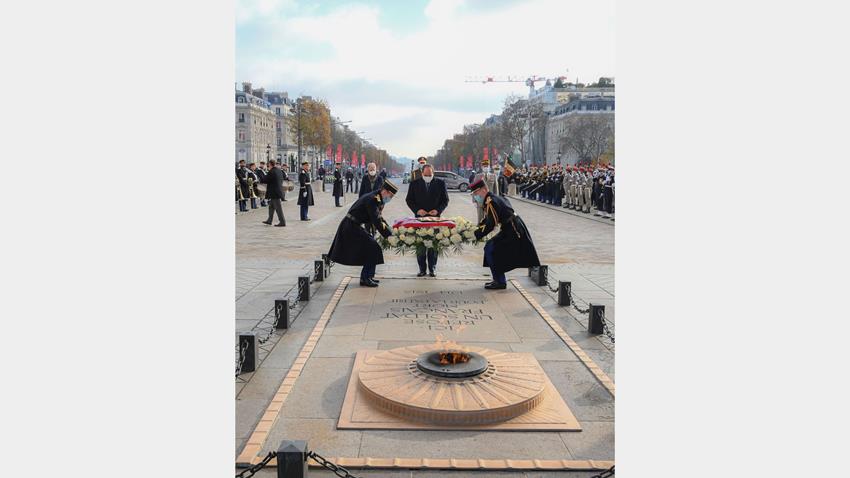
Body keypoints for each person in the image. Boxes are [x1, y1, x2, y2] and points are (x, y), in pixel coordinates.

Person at [469, 179, 540, 289]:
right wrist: (476, 228)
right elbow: (489, 218)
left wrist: (476, 234)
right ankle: (498, 279)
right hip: (510, 227)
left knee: (490, 248)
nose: (475, 196)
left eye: (476, 193)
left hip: (513, 229)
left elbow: (491, 224)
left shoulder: (490, 201)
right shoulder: (491, 198)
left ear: (483, 190)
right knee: (492, 248)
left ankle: (500, 281)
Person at [327, 180, 399, 287]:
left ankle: (368, 276)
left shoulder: (377, 198)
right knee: (373, 247)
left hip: (354, 225)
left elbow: (380, 218)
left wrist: (390, 231)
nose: (390, 198)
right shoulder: (373, 199)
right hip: (350, 226)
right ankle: (365, 278)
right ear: (385, 191)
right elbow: (376, 220)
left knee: (372, 247)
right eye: (391, 195)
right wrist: (389, 236)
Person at [405, 163, 448, 277]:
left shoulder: (440, 183)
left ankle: (432, 268)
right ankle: (422, 269)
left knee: (433, 245)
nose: (428, 176)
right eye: (426, 174)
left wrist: (438, 210)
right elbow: (409, 200)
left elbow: (445, 200)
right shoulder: (414, 184)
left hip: (435, 219)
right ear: (422, 173)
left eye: (430, 174)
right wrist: (417, 210)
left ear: (433, 173)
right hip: (420, 219)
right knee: (421, 245)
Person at [261, 160, 287, 227]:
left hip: (274, 192)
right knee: (271, 207)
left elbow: (265, 180)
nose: (267, 165)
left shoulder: (271, 171)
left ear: (270, 164)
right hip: (277, 191)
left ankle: (282, 222)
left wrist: (266, 173)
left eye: (268, 164)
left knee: (278, 208)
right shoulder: (279, 170)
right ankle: (269, 220)